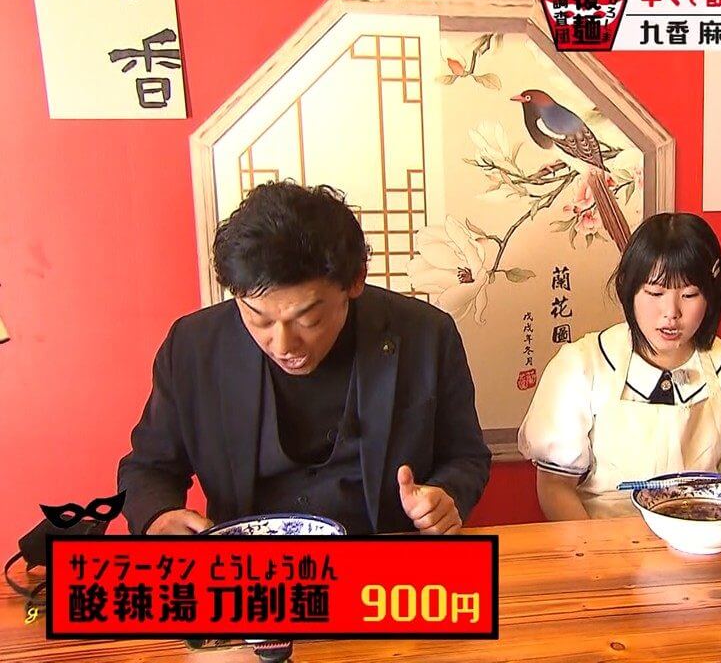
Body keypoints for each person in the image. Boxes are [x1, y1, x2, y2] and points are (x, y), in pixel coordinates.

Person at [118, 182, 492, 535]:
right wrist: (159, 517)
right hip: (251, 568)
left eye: (308, 319)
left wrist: (446, 497)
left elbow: (465, 455)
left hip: (382, 562)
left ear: (355, 281)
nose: (283, 345)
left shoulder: (425, 335)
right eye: (258, 318)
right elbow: (148, 467)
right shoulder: (194, 347)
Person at [518, 213, 721, 519]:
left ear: (711, 295)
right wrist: (595, 548)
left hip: (707, 540)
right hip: (601, 539)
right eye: (655, 293)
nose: (671, 313)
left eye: (689, 295)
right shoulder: (582, 365)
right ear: (629, 288)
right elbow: (555, 486)